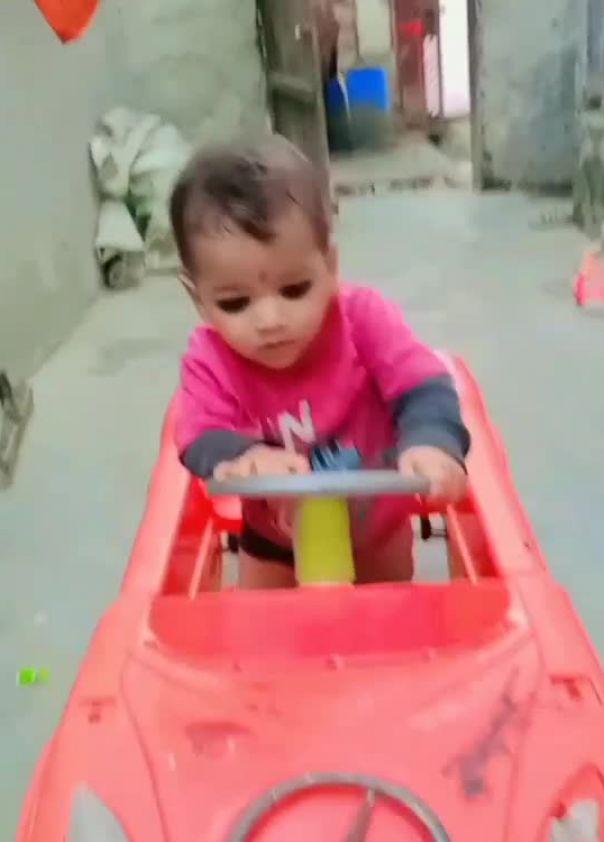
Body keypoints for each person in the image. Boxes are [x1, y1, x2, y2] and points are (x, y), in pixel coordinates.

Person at [170, 134, 470, 589]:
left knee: (387, 621)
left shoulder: (362, 319)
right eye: (235, 303)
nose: (270, 320)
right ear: (198, 298)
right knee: (266, 627)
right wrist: (243, 456)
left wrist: (431, 441)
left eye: (294, 290)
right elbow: (199, 431)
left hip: (375, 529)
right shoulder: (209, 358)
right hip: (274, 539)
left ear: (329, 267)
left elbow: (422, 384)